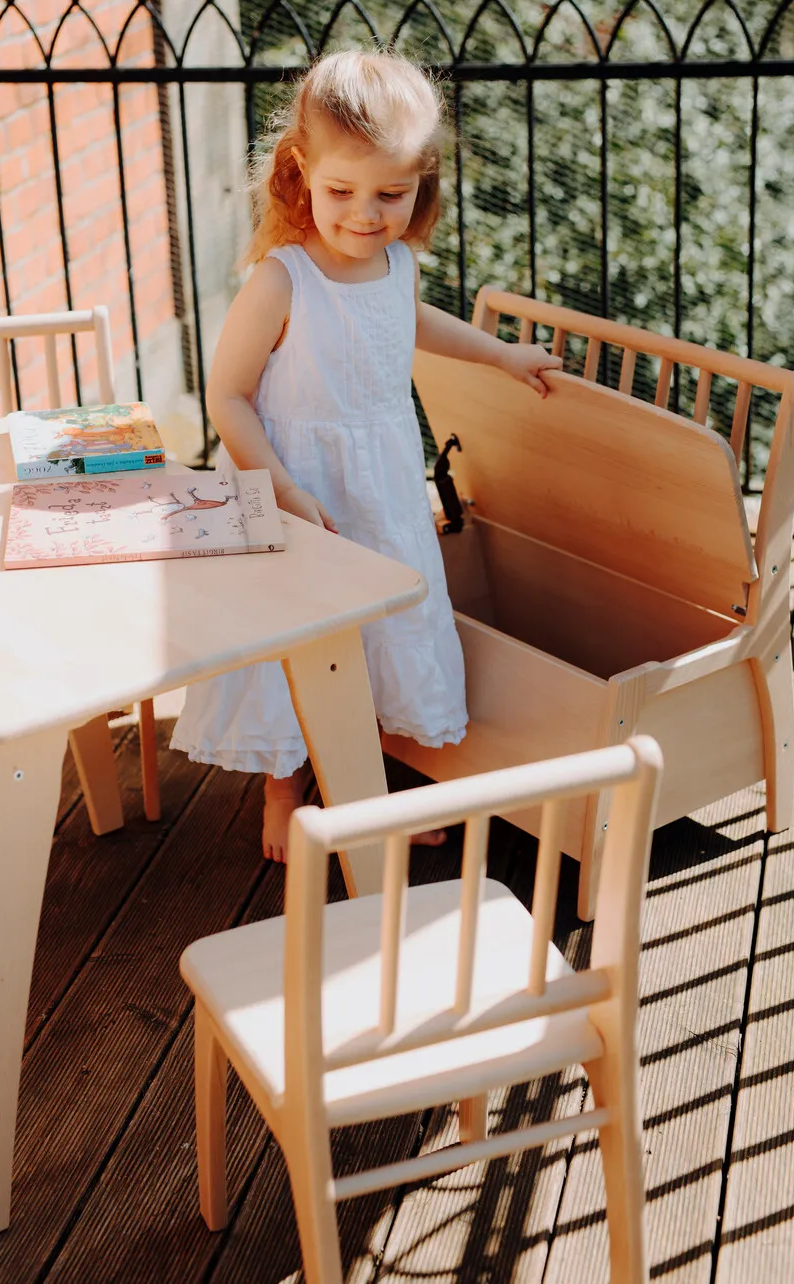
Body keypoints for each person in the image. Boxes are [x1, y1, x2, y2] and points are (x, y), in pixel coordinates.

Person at [170, 49, 560, 862]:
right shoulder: (281, 282)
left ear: (423, 181)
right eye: (341, 192)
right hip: (297, 493)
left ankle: (366, 795)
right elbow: (228, 398)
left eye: (391, 193)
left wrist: (501, 355)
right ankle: (284, 800)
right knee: (298, 648)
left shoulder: (396, 263)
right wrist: (284, 494)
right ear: (299, 172)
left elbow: (408, 322)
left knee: (381, 638)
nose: (365, 215)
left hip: (381, 490)